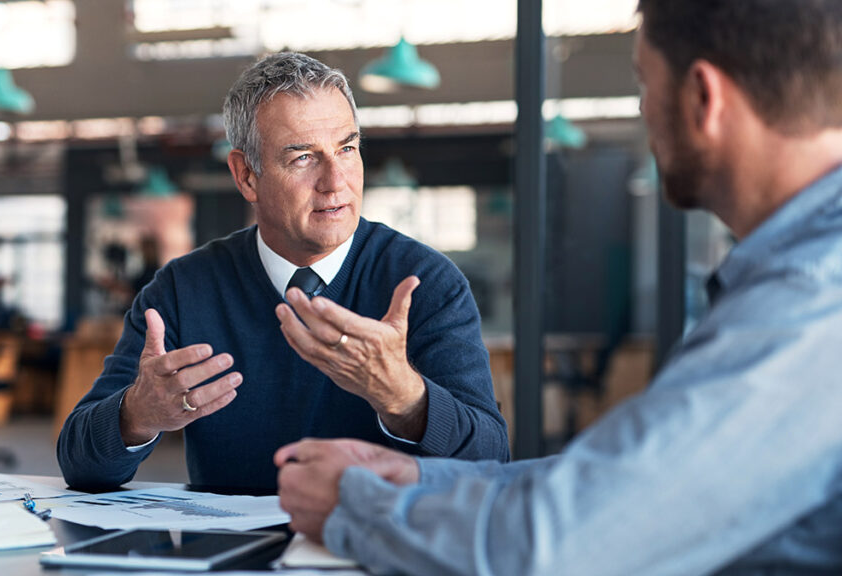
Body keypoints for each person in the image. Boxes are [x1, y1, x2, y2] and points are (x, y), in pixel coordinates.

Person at [275, 1, 842, 573]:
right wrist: (421, 476)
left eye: (645, 84)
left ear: (703, 98)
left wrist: (355, 507)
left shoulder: (812, 298)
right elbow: (625, 486)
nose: (644, 110)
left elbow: (557, 547)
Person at [57, 52, 509, 491]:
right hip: (230, 560)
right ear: (247, 176)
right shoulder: (181, 290)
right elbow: (79, 464)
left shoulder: (425, 283)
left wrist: (406, 399)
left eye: (347, 149)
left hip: (372, 551)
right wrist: (136, 414)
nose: (336, 182)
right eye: (303, 158)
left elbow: (491, 461)